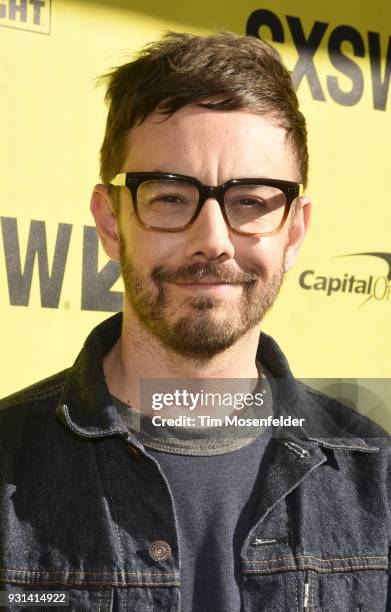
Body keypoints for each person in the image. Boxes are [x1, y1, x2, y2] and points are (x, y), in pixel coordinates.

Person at [0, 31, 390, 612]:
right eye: (170, 197)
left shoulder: (377, 478)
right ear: (110, 222)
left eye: (252, 202)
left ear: (295, 230)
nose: (212, 241)